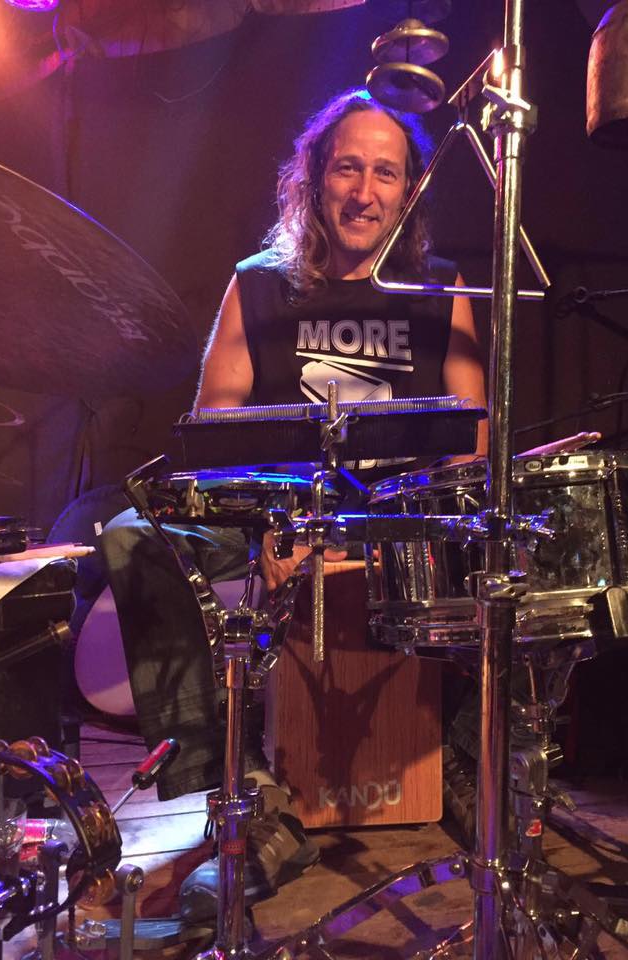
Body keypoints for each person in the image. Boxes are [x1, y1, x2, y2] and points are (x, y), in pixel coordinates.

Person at [100, 87, 487, 916]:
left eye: (385, 173)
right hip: (278, 517)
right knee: (137, 535)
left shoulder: (442, 288)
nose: (364, 191)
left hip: (397, 526)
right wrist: (279, 523)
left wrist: (396, 530)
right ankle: (246, 797)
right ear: (314, 180)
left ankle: (462, 755)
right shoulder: (259, 286)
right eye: (348, 168)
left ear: (409, 192)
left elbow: (470, 444)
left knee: (515, 531)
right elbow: (213, 434)